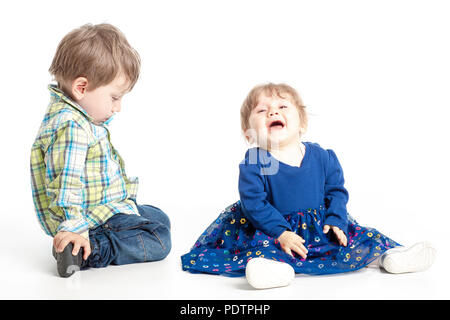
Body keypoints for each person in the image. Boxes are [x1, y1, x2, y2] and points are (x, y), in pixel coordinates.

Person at [181, 83, 436, 289]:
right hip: (271, 226)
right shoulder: (256, 161)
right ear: (250, 135)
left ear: (302, 124)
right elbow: (254, 203)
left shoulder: (322, 156)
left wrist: (337, 219)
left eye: (282, 106)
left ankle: (389, 257)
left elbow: (336, 191)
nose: (273, 112)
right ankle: (273, 269)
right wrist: (281, 232)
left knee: (355, 238)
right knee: (261, 247)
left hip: (320, 224)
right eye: (262, 111)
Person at [30, 23, 171, 278]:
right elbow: (66, 185)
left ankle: (89, 240)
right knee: (160, 240)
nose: (118, 108)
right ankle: (88, 249)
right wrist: (73, 227)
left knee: (160, 218)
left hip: (105, 205)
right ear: (81, 88)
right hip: (91, 218)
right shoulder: (71, 127)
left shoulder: (75, 116)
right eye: (115, 97)